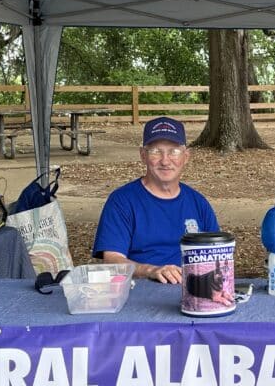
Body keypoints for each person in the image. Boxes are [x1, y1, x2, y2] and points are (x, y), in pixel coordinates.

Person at [92, 117, 219, 284]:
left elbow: (216, 256)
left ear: (186, 156)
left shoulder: (198, 203)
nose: (165, 161)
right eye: (156, 151)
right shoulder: (122, 201)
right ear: (143, 155)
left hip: (192, 289)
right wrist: (150, 271)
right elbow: (112, 260)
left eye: (174, 151)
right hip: (141, 291)